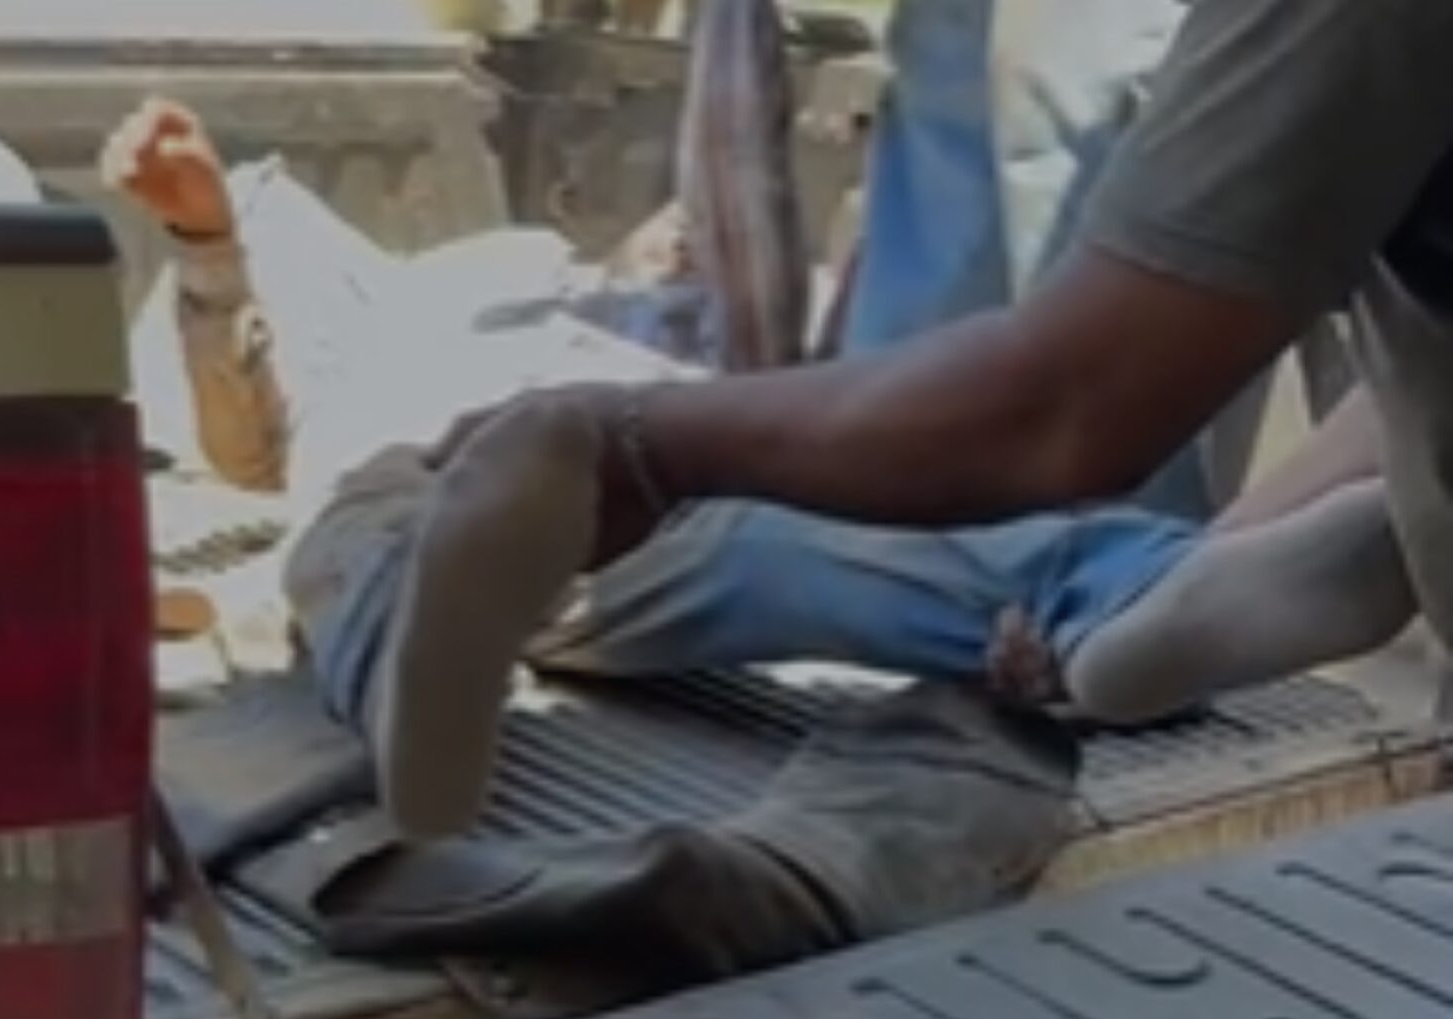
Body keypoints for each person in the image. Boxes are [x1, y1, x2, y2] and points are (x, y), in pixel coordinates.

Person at [107, 93, 1413, 739]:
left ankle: (1123, 603)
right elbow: (241, 450)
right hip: (454, 457)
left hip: (620, 398)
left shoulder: (507, 264)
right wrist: (213, 247)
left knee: (822, 519)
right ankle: (1117, 602)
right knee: (385, 530)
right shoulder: (333, 326)